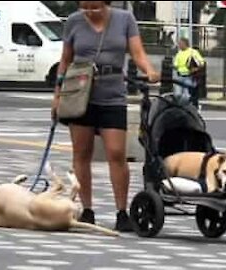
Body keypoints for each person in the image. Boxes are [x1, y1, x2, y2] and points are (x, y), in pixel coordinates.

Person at [51, 1, 160, 232]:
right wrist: (58, 95)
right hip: (80, 94)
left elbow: (137, 52)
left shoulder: (124, 19)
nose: (90, 12)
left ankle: (122, 212)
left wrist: (149, 70)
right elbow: (65, 60)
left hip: (113, 95)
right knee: (82, 153)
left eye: (96, 7)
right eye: (86, 7)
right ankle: (87, 209)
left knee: (116, 153)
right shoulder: (73, 22)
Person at [173, 38, 205, 108]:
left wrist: (196, 69)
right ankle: (181, 107)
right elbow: (175, 65)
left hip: (189, 76)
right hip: (179, 76)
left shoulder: (193, 52)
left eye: (180, 44)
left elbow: (201, 62)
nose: (179, 45)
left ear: (185, 44)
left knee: (186, 96)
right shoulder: (179, 53)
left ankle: (186, 108)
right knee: (177, 94)